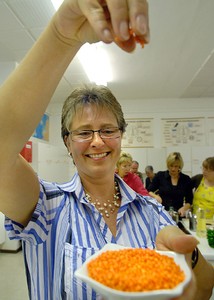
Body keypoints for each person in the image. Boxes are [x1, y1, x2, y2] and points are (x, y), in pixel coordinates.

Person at [0, 1, 213, 299]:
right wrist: (62, 37)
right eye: (84, 132)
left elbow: (203, 288)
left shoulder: (150, 211)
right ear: (67, 142)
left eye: (108, 130)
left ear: (121, 136)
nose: (97, 141)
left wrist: (186, 257)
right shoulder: (45, 207)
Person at [148, 152, 193, 216]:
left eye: (176, 166)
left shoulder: (186, 179)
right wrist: (155, 196)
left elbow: (189, 201)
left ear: (180, 166)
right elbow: (148, 191)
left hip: (178, 215)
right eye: (171, 166)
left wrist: (184, 208)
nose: (173, 169)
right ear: (168, 165)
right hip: (162, 214)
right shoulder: (160, 176)